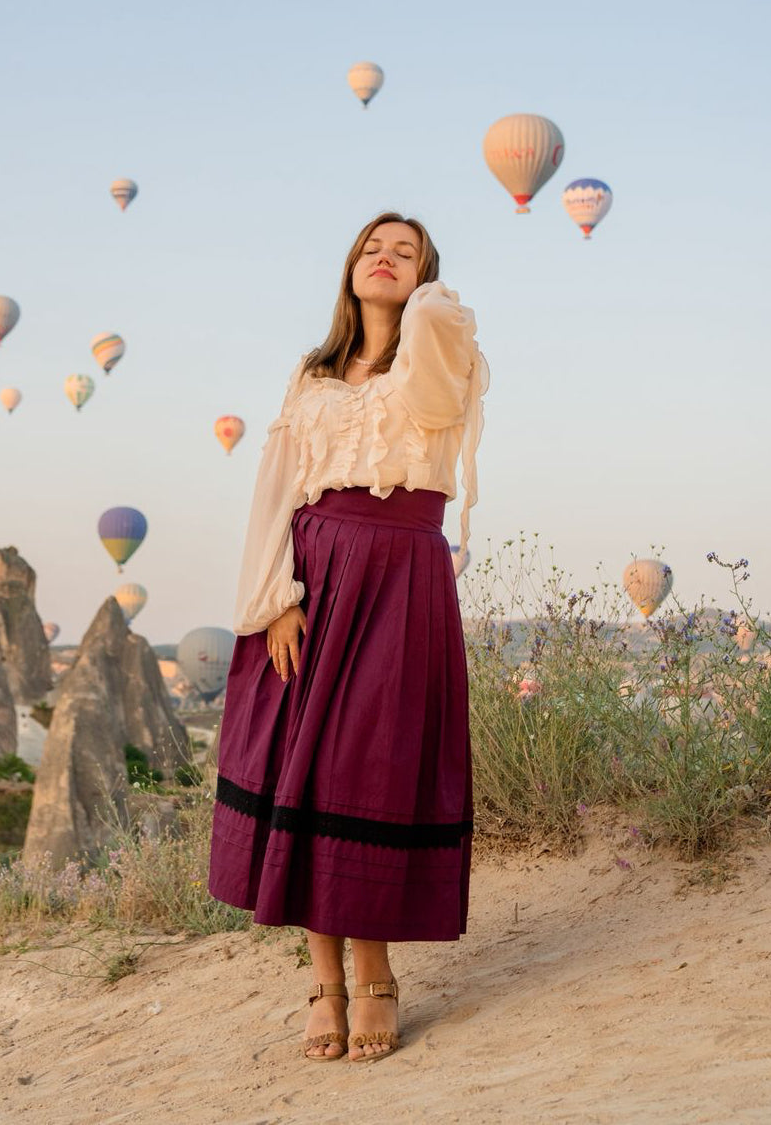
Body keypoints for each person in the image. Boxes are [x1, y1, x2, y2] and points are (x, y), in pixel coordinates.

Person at [208, 211, 489, 1064]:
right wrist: (274, 600)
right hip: (310, 575)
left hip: (399, 572)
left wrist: (429, 292)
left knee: (369, 766)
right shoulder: (312, 373)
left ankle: (376, 971)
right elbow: (276, 488)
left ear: (426, 276)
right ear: (347, 266)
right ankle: (322, 979)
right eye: (372, 246)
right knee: (306, 767)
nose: (385, 258)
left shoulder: (440, 357)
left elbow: (441, 325)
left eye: (405, 253)